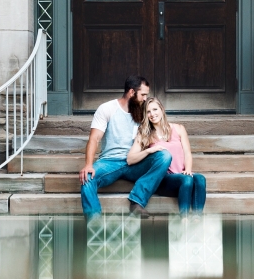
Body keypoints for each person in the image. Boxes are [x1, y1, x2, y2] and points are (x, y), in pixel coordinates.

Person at [79, 76, 173, 219]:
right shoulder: (107, 109)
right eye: (143, 94)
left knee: (164, 156)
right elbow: (94, 138)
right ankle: (95, 224)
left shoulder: (144, 112)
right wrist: (88, 165)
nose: (145, 98)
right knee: (87, 178)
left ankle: (137, 201)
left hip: (137, 162)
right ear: (131, 92)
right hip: (110, 162)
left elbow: (162, 128)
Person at [126, 98, 206, 214]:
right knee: (187, 180)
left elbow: (187, 153)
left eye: (155, 109)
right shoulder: (145, 134)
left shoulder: (179, 128)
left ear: (162, 109)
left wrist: (188, 169)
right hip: (165, 179)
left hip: (182, 174)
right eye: (148, 112)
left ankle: (197, 219)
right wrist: (149, 150)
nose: (152, 114)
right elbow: (130, 159)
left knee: (200, 179)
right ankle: (184, 220)